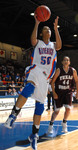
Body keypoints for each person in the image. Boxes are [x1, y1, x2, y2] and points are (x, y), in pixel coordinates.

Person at [4, 14, 62, 150]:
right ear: (42, 34)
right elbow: (32, 40)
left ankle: (34, 136)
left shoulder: (53, 45)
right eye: (45, 29)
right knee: (29, 88)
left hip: (45, 77)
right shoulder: (38, 43)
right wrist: (37, 23)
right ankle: (13, 115)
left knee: (40, 108)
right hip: (35, 69)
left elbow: (59, 45)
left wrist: (55, 28)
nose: (47, 30)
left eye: (49, 29)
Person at [47, 56, 78, 134]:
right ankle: (50, 125)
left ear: (69, 62)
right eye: (64, 60)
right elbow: (52, 82)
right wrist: (53, 92)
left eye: (67, 60)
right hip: (59, 92)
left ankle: (64, 123)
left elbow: (77, 81)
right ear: (62, 62)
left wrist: (77, 92)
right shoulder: (59, 70)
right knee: (56, 111)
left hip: (68, 92)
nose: (66, 61)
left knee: (68, 109)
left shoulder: (73, 70)